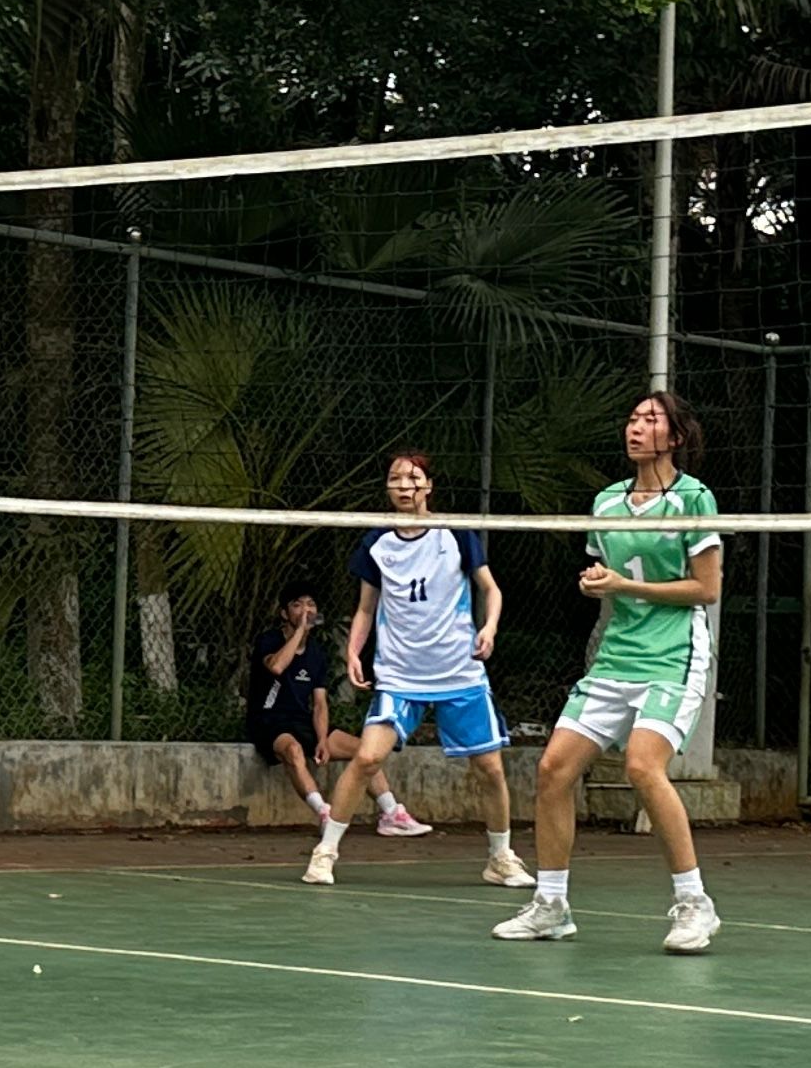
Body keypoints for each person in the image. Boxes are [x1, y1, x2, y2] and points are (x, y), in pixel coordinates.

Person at [494, 393, 724, 953]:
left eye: (651, 420)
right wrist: (598, 582)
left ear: (674, 438)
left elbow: (707, 588)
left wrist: (625, 585)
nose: (636, 428)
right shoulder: (607, 501)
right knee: (553, 770)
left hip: (673, 656)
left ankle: (695, 904)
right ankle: (551, 906)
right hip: (617, 655)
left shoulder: (694, 498)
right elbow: (607, 572)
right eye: (633, 419)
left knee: (642, 766)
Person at [302, 453, 534, 889]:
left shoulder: (456, 534)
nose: (404, 485)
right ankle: (325, 852)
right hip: (399, 675)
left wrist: (489, 627)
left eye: (413, 478)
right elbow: (366, 608)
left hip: (459, 673)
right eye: (395, 478)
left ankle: (501, 857)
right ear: (388, 488)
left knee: (490, 768)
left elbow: (491, 589)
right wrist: (353, 651)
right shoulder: (376, 543)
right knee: (367, 757)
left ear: (428, 486)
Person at [248, 579, 429, 835]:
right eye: (297, 605)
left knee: (365, 751)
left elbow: (320, 704)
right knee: (293, 750)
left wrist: (322, 740)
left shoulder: (317, 653)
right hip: (268, 721)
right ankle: (324, 813)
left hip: (301, 720)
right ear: (284, 613)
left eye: (311, 604)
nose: (306, 610)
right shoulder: (269, 640)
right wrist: (299, 632)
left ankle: (392, 814)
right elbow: (277, 666)